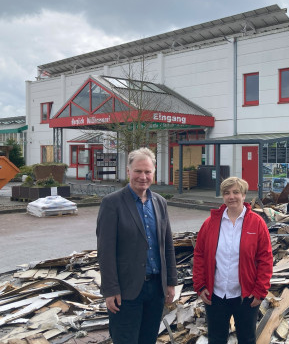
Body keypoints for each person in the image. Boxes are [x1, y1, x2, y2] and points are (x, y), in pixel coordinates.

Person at [97, 147, 177, 344]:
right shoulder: (112, 203)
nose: (143, 176)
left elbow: (167, 245)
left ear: (154, 173)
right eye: (138, 171)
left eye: (148, 172)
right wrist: (110, 289)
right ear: (128, 171)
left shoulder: (159, 202)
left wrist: (171, 281)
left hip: (155, 289)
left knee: (148, 339)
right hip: (125, 291)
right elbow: (105, 251)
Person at [193, 177, 273, 344]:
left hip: (246, 296)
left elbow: (266, 259)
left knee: (247, 339)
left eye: (236, 192)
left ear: (244, 195)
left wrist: (260, 291)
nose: (232, 197)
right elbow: (199, 255)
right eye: (227, 193)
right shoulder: (210, 224)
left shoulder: (257, 224)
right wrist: (200, 286)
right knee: (216, 339)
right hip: (216, 295)